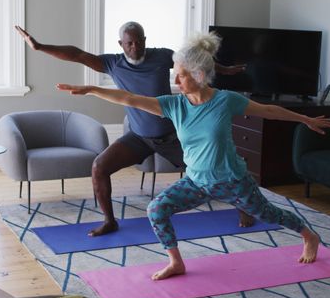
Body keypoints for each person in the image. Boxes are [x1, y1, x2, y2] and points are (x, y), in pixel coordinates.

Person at [55, 31, 330, 280]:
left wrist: (304, 119)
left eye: (181, 74)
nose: (175, 80)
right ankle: (176, 262)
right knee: (156, 209)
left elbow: (270, 111)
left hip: (234, 181)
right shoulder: (174, 105)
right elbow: (129, 98)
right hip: (197, 182)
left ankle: (309, 235)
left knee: (270, 214)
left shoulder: (225, 100)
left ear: (199, 75)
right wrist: (91, 89)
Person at [15, 22, 253, 236]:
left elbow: (196, 62)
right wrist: (39, 47)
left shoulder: (162, 56)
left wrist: (226, 70)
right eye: (129, 43)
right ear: (121, 44)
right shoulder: (112, 63)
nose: (135, 46)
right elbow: (77, 54)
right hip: (139, 137)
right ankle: (110, 221)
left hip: (171, 136)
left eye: (139, 41)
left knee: (214, 169)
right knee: (99, 166)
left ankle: (244, 207)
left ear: (145, 40)